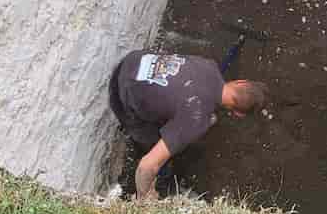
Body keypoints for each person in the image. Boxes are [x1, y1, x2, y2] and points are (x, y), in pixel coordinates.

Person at [109, 49, 268, 199]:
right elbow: (147, 166)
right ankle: (151, 158)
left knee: (176, 105)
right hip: (120, 93)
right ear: (238, 114)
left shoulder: (208, 65)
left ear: (240, 82)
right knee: (154, 143)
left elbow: (187, 88)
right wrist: (144, 199)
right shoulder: (196, 120)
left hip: (133, 61)